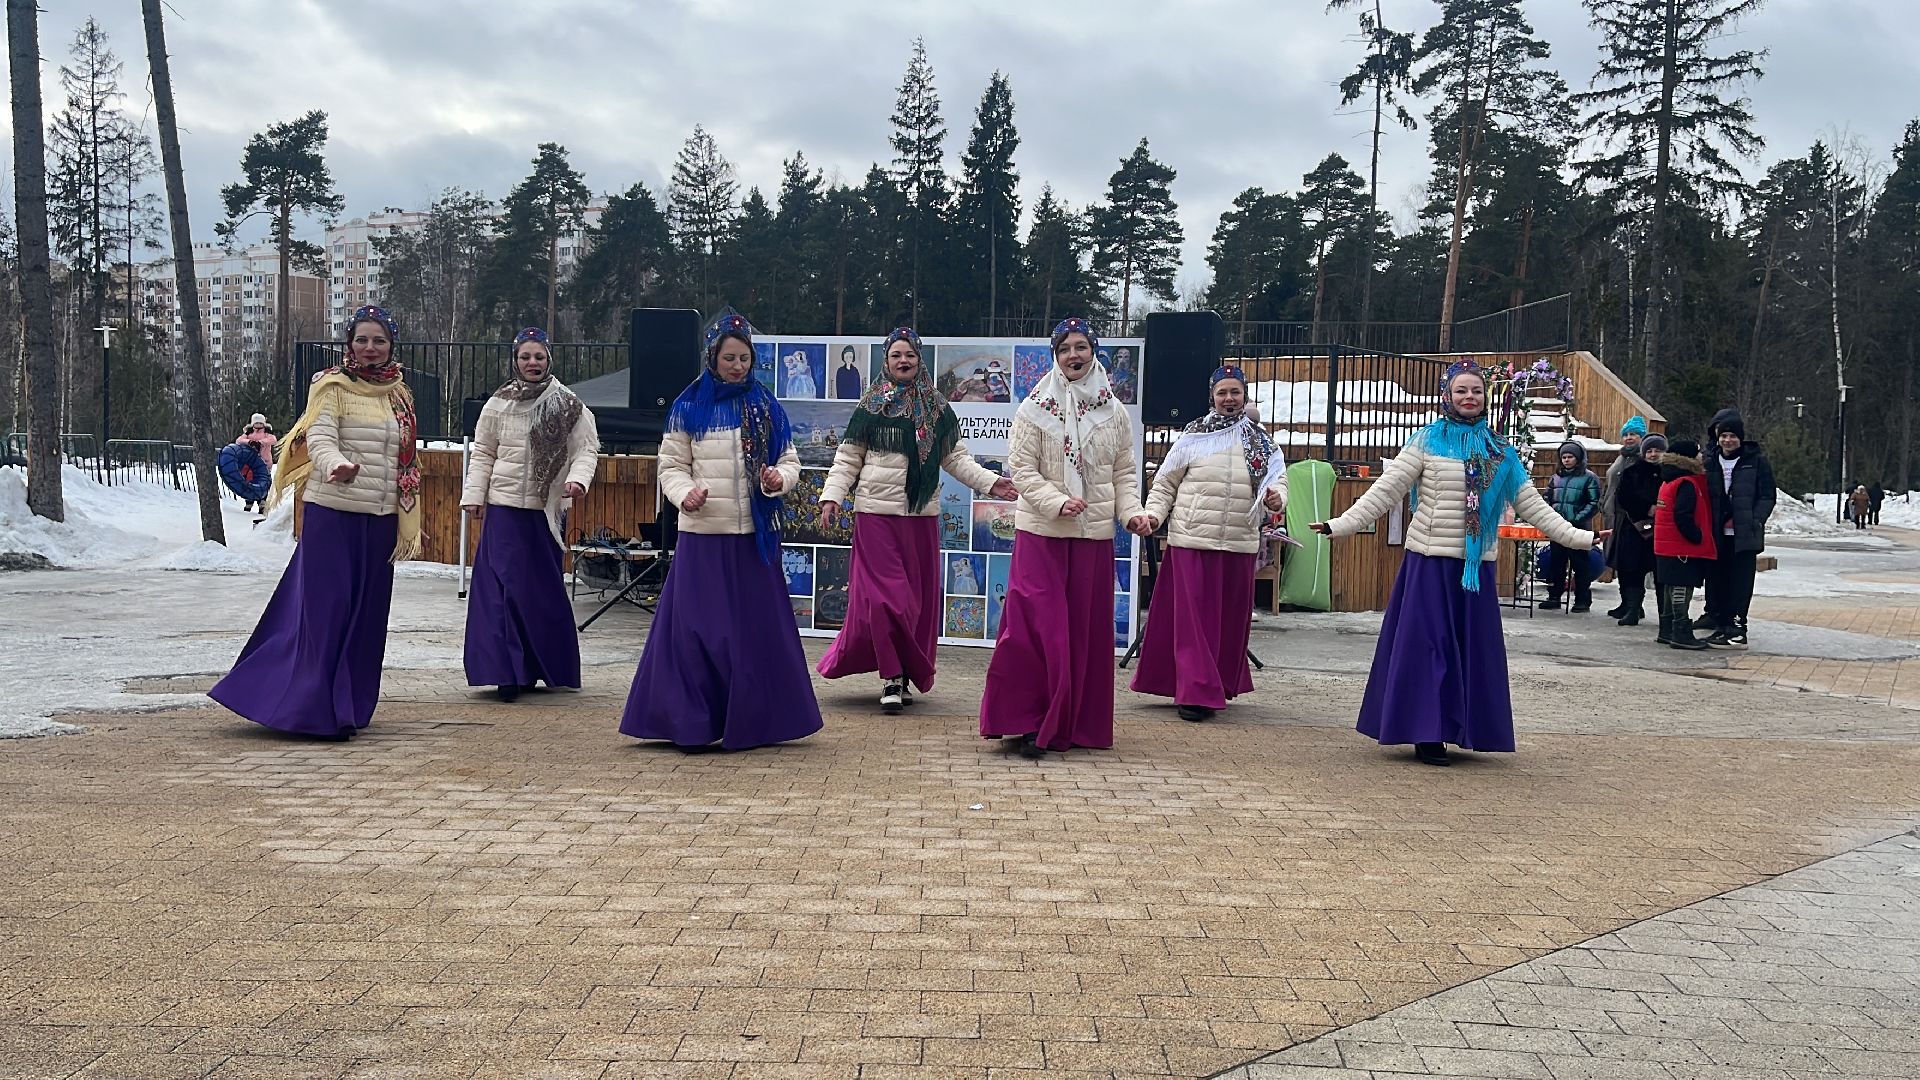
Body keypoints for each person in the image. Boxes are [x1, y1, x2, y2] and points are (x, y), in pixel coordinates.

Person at [1308, 360, 1602, 766]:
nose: (1469, 398)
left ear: (1485, 397)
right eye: (1461, 390)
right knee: (1428, 648)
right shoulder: (1426, 441)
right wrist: (1340, 525)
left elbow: (1533, 506)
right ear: (1447, 395)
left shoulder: (1500, 451)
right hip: (1429, 565)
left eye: (1476, 391)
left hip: (1474, 569)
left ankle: (1457, 727)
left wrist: (1581, 538)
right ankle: (1426, 732)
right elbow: (1385, 491)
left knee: (1468, 652)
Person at [208, 305, 421, 739]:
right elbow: (319, 436)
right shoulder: (330, 386)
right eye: (362, 339)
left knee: (366, 616)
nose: (370, 348)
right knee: (326, 610)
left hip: (380, 520)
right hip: (333, 513)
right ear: (349, 344)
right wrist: (336, 464)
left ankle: (349, 706)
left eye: (379, 340)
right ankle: (310, 707)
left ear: (391, 345)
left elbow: (405, 455)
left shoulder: (399, 393)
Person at [619, 314, 822, 750]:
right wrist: (685, 494)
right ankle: (691, 721)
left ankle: (756, 721)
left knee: (753, 633)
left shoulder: (766, 406)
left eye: (744, 358)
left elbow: (790, 461)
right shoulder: (688, 407)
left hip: (753, 539)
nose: (737, 366)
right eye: (729, 357)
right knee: (696, 632)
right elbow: (670, 466)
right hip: (702, 536)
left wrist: (778, 481)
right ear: (712, 357)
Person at [815, 327, 1016, 712]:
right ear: (886, 362)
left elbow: (955, 459)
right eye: (895, 356)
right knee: (885, 599)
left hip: (919, 517)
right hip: (875, 516)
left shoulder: (937, 407)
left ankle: (903, 672)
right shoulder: (871, 404)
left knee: (913, 603)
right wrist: (831, 496)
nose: (903, 361)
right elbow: (848, 457)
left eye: (909, 355)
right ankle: (890, 677)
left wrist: (992, 484)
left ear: (918, 359)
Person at [980, 317, 1148, 758]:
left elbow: (1123, 474)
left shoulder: (1113, 411)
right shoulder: (1033, 408)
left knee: (1082, 632)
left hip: (1092, 538)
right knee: (1035, 628)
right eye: (1064, 349)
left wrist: (1131, 514)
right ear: (1054, 356)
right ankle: (1029, 720)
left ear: (1093, 350)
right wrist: (1056, 501)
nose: (1073, 355)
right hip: (1042, 532)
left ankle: (1075, 723)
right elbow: (1023, 470)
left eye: (1080, 347)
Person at [1131, 364, 1285, 721]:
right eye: (1222, 392)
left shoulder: (1261, 443)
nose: (1229, 399)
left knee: (1227, 621)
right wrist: (1153, 515)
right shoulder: (1192, 437)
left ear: (1245, 395)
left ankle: (1214, 683)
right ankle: (1195, 692)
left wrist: (1277, 498)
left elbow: (1278, 483)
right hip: (1191, 540)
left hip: (1238, 543)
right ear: (1212, 397)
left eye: (1235, 392)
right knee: (1193, 620)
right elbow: (1166, 484)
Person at [460, 327, 600, 702]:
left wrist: (577, 482)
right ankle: (507, 672)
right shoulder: (498, 404)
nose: (532, 363)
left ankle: (540, 666)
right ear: (515, 360)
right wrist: (474, 495)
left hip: (545, 513)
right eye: (525, 357)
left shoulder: (568, 405)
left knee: (536, 592)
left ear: (549, 359)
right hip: (504, 509)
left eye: (538, 356)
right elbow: (484, 452)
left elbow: (586, 450)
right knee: (501, 591)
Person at [1699, 408, 1774, 649]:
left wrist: (1755, 519)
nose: (1727, 441)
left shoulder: (1755, 461)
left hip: (1743, 534)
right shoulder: (1710, 461)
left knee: (1740, 583)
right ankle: (1720, 624)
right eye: (1723, 436)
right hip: (1717, 532)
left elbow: (1767, 495)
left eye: (1732, 436)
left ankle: (1737, 627)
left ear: (1740, 438)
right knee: (1717, 579)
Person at [1653, 438, 1714, 650]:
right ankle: (1681, 630)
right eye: (1697, 453)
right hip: (1681, 547)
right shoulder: (1686, 482)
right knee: (1682, 587)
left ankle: (1666, 629)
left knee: (1670, 586)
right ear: (1688, 458)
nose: (1701, 457)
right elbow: (1683, 515)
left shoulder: (1667, 480)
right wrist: (1696, 536)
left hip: (1665, 546)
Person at [1607, 432, 1663, 626]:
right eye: (1650, 450)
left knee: (1661, 572)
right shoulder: (1633, 471)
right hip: (1634, 526)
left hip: (1662, 530)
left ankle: (1666, 613)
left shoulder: (1670, 473)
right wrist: (1646, 508)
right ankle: (1632, 608)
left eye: (1658, 450)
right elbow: (1623, 497)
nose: (1653, 454)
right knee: (1632, 569)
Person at [1539, 441, 1601, 613]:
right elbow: (1547, 498)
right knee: (1556, 562)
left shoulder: (1589, 477)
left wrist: (1576, 518)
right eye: (1564, 457)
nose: (1566, 460)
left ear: (1578, 458)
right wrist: (1551, 516)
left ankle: (1582, 599)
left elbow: (1594, 502)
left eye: (1570, 457)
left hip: (1579, 528)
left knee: (1580, 564)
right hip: (1557, 527)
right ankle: (1554, 596)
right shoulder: (1556, 477)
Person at [1601, 416, 1645, 617]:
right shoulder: (1621, 457)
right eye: (1626, 434)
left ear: (1641, 437)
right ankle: (1625, 602)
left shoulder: (1642, 459)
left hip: (1632, 518)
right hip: (1614, 516)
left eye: (1633, 434)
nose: (1629, 438)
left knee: (1632, 563)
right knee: (1619, 561)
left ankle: (1634, 605)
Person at [236, 413, 278, 514]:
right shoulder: (248, 433)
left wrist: (260, 442)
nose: (259, 425)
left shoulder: (267, 433)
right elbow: (239, 441)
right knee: (249, 481)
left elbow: (273, 440)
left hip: (264, 462)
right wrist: (249, 442)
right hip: (251, 463)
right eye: (256, 423)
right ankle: (249, 500)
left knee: (263, 481)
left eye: (261, 423)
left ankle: (262, 501)